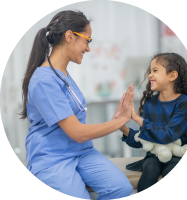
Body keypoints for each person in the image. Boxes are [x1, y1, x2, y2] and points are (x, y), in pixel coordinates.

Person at [19, 10, 134, 199]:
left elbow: (78, 129)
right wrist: (120, 121)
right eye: (87, 40)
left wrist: (114, 121)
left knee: (121, 188)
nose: (88, 48)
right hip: (52, 158)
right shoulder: (44, 81)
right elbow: (78, 133)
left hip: (81, 152)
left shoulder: (63, 75)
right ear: (70, 36)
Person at [117, 52, 187, 193]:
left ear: (172, 76)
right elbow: (146, 138)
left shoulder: (183, 103)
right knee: (150, 167)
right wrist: (122, 127)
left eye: (155, 70)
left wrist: (138, 119)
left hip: (178, 153)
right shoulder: (150, 102)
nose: (150, 75)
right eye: (150, 71)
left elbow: (168, 135)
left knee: (171, 168)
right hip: (155, 153)